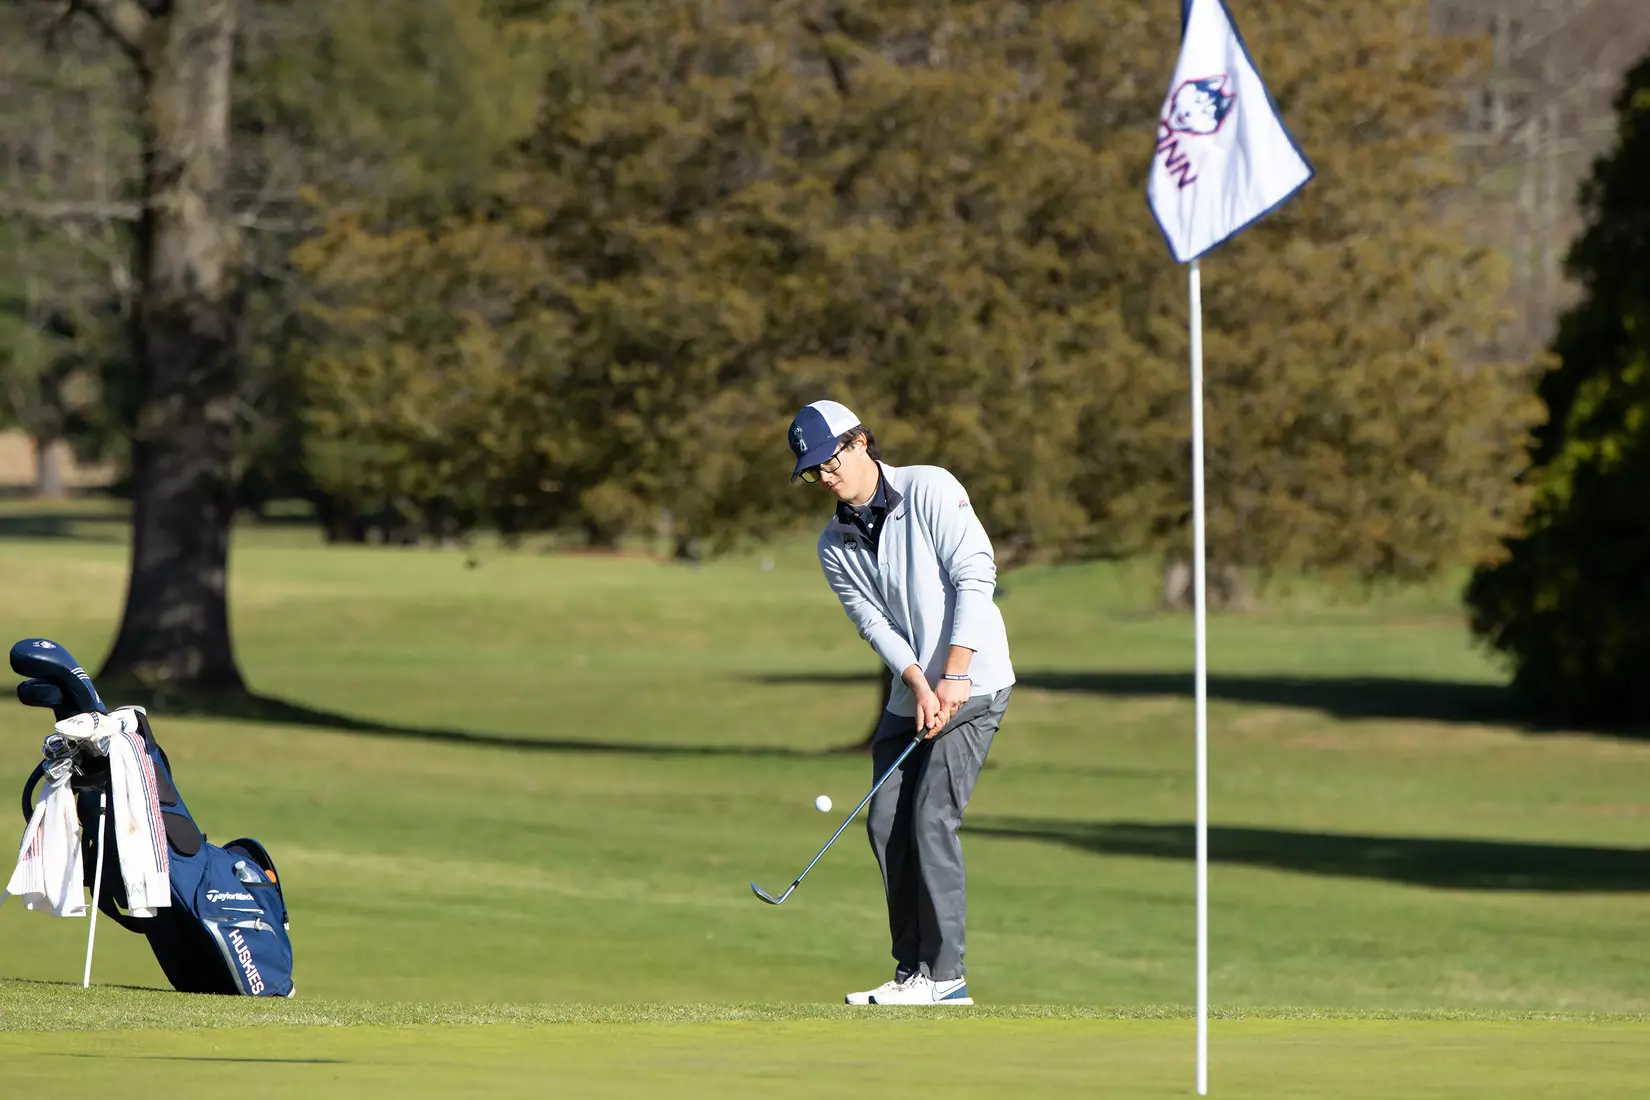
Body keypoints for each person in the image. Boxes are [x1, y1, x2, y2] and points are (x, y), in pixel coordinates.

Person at [787, 399, 1014, 1006]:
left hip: (976, 680)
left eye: (831, 460)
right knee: (886, 821)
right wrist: (918, 682)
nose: (825, 475)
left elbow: (976, 576)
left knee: (930, 818)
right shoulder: (833, 542)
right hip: (912, 691)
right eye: (813, 470)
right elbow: (873, 622)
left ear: (860, 442)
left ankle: (945, 976)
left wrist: (954, 674)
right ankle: (913, 970)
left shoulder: (930, 488)